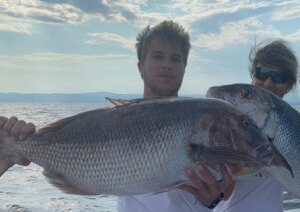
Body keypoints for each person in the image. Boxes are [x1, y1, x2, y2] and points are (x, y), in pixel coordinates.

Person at [1, 20, 233, 212]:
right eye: (158, 56)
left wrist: (214, 201)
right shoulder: (113, 121)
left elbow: (224, 200)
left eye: (176, 58)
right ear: (141, 66)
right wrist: (21, 144)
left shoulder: (204, 122)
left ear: (184, 67)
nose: (167, 65)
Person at [214, 39, 299, 212]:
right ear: (253, 75)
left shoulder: (291, 125)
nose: (268, 83)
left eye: (279, 77)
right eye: (262, 73)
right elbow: (217, 192)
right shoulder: (224, 126)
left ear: (288, 86)